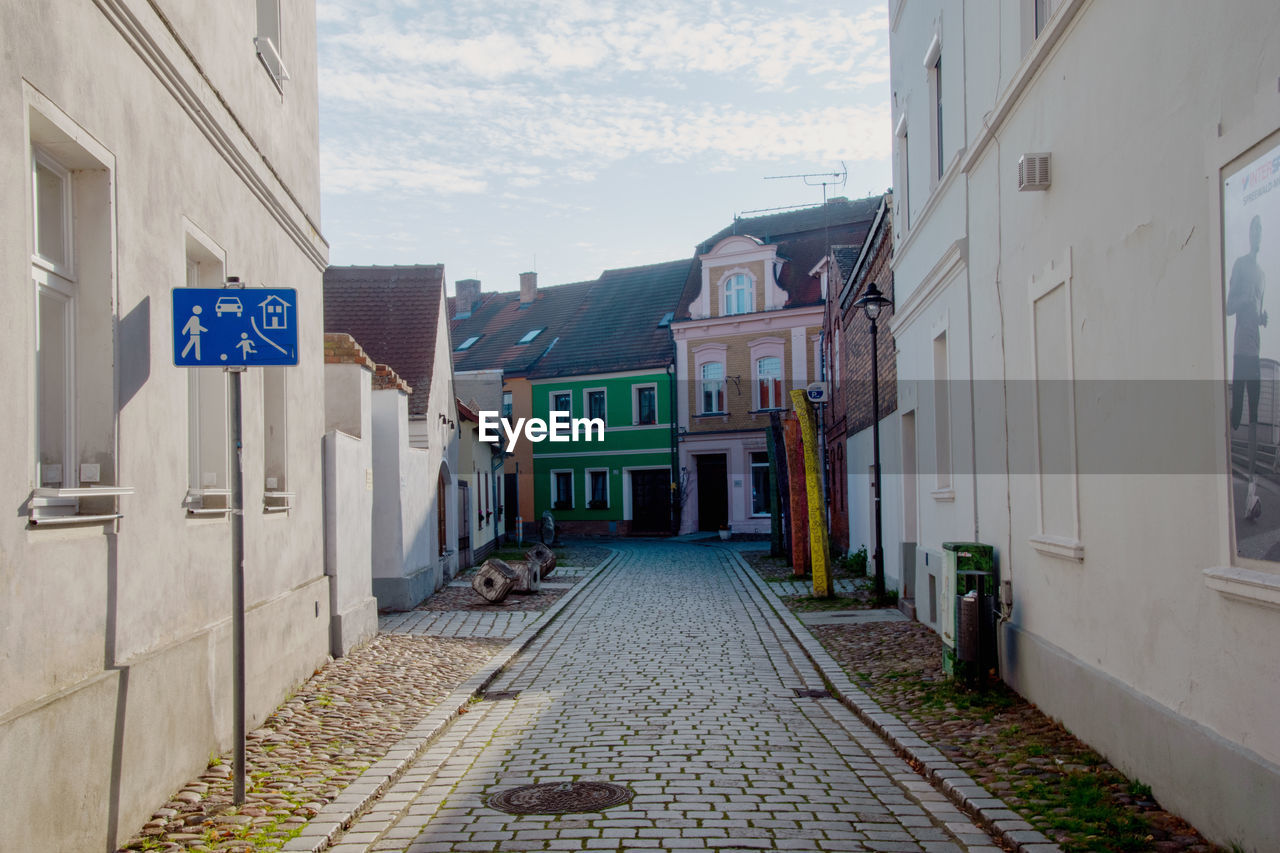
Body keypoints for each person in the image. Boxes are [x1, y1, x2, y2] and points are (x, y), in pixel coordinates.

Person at [1227, 215, 1266, 520]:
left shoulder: (1263, 274)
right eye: (1252, 229)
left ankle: (1251, 491)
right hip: (1240, 353)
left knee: (1253, 421)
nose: (1256, 234)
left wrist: (1262, 316)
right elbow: (1229, 306)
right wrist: (1246, 303)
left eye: (1259, 230)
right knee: (1236, 419)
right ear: (1248, 234)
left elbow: (1258, 309)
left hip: (1255, 354)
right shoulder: (1240, 265)